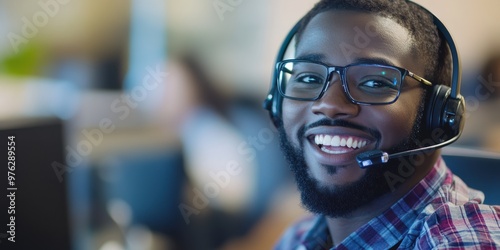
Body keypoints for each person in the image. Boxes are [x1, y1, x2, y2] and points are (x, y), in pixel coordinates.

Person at [264, 0, 500, 249]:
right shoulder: (299, 238)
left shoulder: (461, 241)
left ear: (438, 113)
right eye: (309, 77)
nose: (329, 104)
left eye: (375, 83)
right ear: (277, 103)